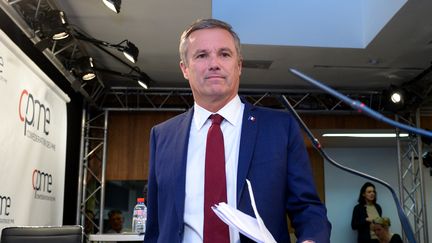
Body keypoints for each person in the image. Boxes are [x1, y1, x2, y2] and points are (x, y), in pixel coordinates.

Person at [144, 18, 331, 243]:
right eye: (202, 55)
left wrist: (311, 239)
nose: (214, 63)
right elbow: (155, 225)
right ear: (185, 68)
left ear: (239, 65)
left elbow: (307, 208)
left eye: (224, 54)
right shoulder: (162, 136)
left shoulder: (279, 128)